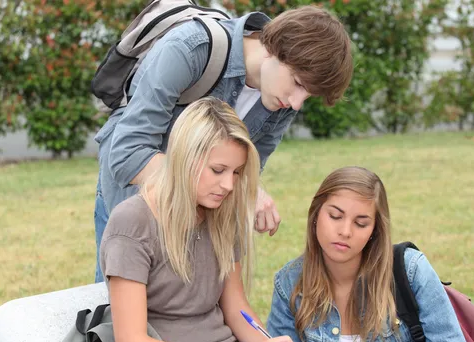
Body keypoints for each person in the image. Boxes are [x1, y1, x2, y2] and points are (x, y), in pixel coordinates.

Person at [99, 98, 350, 342]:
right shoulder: (132, 222)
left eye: (236, 172)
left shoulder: (220, 215)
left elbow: (237, 311)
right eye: (218, 170)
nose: (229, 185)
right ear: (184, 159)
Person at [94, 5, 354, 282]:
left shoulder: (282, 101)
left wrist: (248, 190)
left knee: (193, 304)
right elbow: (127, 155)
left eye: (308, 95)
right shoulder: (189, 48)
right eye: (298, 83)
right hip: (135, 195)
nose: (296, 103)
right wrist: (240, 192)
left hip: (194, 210)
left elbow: (247, 170)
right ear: (275, 49)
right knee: (118, 308)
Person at [267, 166, 471, 342]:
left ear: (375, 230)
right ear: (315, 216)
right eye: (335, 216)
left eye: (361, 223)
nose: (345, 231)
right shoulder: (290, 283)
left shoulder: (410, 269)